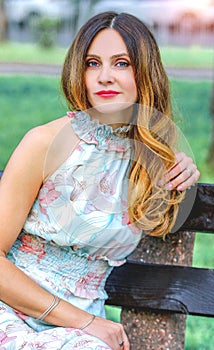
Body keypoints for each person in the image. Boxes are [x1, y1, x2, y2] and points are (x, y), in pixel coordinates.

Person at [0, 11, 200, 350]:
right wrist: (88, 323)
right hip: (13, 311)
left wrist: (182, 168)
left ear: (145, 72)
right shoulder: (45, 143)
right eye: (93, 63)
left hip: (83, 328)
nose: (104, 76)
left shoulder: (149, 160)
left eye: (121, 63)